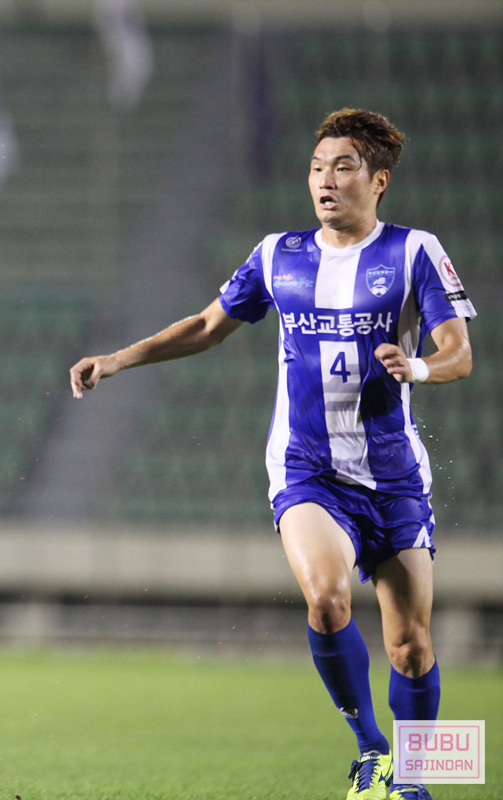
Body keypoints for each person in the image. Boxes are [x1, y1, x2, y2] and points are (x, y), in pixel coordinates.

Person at [70, 109, 473, 800]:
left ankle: (417, 780)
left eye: (343, 167)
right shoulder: (277, 255)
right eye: (317, 168)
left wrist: (418, 368)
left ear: (378, 180)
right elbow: (207, 326)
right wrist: (116, 359)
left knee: (411, 645)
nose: (325, 180)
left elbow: (458, 352)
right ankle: (371, 749)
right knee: (326, 598)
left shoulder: (415, 252)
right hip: (306, 468)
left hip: (393, 476)